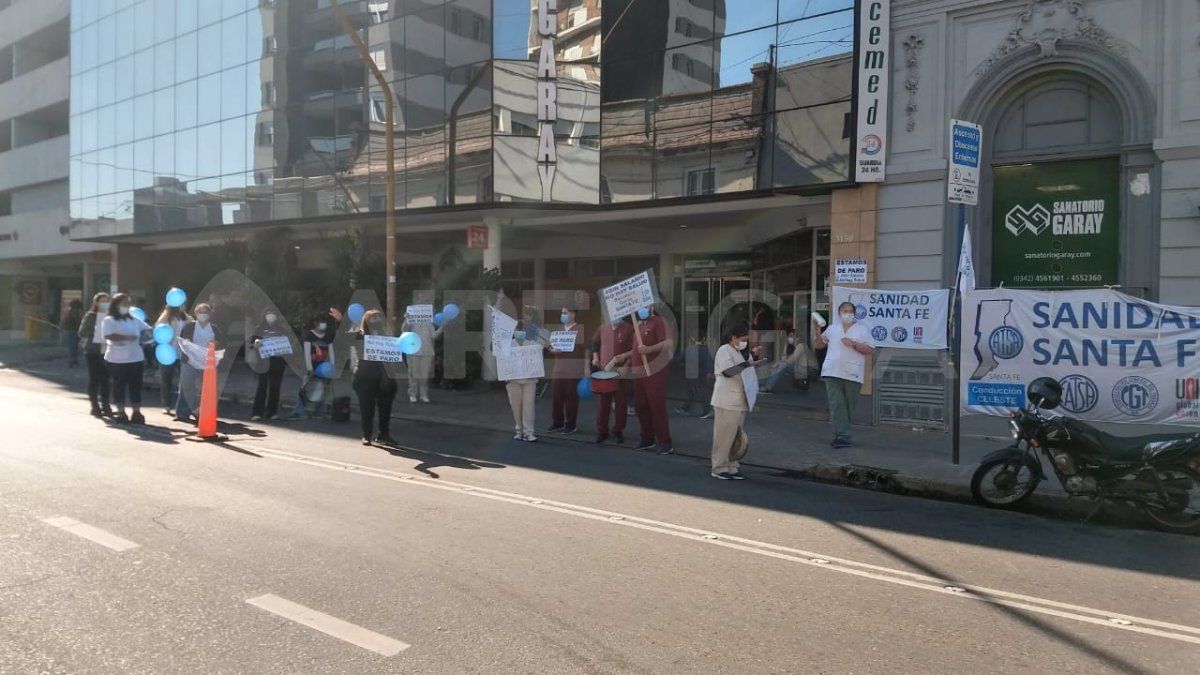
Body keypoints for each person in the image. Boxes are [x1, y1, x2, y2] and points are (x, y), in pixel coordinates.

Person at [812, 301, 875, 448]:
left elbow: (871, 350)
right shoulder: (832, 329)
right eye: (845, 310)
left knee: (848, 406)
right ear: (839, 313)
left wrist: (854, 344)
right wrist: (817, 331)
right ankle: (843, 436)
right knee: (836, 404)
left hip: (852, 374)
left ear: (854, 313)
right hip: (832, 371)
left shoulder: (862, 330)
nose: (847, 313)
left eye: (850, 310)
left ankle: (843, 433)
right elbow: (819, 345)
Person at [710, 324, 766, 479]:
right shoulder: (724, 350)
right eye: (743, 339)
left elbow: (744, 368)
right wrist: (748, 363)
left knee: (735, 437)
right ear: (733, 337)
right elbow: (728, 371)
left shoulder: (738, 352)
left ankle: (732, 466)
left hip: (739, 401)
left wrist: (752, 356)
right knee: (724, 436)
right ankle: (719, 467)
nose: (745, 342)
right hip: (726, 400)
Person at [349, 309, 398, 446]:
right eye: (373, 318)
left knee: (385, 408)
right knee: (366, 408)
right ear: (366, 321)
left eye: (378, 318)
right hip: (364, 377)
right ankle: (366, 435)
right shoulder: (360, 335)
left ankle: (384, 434)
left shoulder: (386, 336)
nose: (376, 321)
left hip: (384, 378)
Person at [102, 293, 151, 425]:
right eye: (123, 304)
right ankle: (121, 411)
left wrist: (150, 334)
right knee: (119, 386)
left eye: (128, 304)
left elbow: (148, 330)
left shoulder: (134, 320)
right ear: (116, 305)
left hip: (135, 358)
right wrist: (126, 337)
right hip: (117, 360)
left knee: (135, 385)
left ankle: (136, 412)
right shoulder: (109, 320)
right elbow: (108, 335)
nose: (126, 307)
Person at [632, 305, 674, 454]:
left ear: (650, 306)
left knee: (656, 405)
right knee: (640, 405)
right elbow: (635, 349)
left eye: (643, 306)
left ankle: (665, 441)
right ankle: (647, 438)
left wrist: (650, 349)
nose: (640, 309)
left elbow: (668, 343)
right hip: (639, 372)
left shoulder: (659, 321)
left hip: (654, 371)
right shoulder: (637, 325)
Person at [590, 316, 634, 444]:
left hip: (621, 373)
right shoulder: (603, 328)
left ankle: (618, 431)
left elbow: (635, 349)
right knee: (603, 403)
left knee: (621, 403)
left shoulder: (629, 328)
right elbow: (594, 343)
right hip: (605, 372)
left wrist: (627, 364)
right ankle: (602, 430)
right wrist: (595, 357)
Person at [175, 303, 223, 423]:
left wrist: (215, 343)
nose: (203, 315)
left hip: (207, 362)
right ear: (196, 314)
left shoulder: (214, 328)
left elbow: (221, 342)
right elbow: (183, 342)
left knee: (206, 389)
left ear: (209, 314)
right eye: (200, 312)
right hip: (190, 361)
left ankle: (200, 411)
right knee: (186, 385)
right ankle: (182, 412)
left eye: (205, 312)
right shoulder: (189, 327)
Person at [287, 315, 336, 419]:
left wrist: (332, 366)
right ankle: (297, 412)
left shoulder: (328, 336)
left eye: (324, 322)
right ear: (315, 323)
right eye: (321, 322)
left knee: (323, 390)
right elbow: (307, 353)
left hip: (324, 368)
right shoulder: (309, 335)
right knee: (304, 390)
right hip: (312, 367)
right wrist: (310, 368)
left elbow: (331, 352)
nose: (323, 325)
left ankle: (317, 411)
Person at [248, 309, 292, 421]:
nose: (271, 317)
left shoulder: (282, 329)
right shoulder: (260, 328)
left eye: (273, 315)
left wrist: (283, 352)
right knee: (261, 387)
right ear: (265, 316)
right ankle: (257, 412)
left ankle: (272, 412)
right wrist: (256, 344)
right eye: (268, 315)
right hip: (263, 363)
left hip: (278, 363)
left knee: (275, 388)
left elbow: (287, 345)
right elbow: (251, 344)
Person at [547, 307, 585, 434]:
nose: (563, 315)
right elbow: (550, 347)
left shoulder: (579, 329)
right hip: (558, 369)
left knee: (571, 398)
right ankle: (557, 423)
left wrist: (586, 368)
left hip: (572, 370)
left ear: (573, 314)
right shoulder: (558, 330)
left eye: (565, 313)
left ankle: (571, 424)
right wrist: (553, 350)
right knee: (556, 397)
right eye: (562, 313)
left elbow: (586, 350)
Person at [504, 322, 540, 442]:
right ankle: (519, 431)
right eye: (518, 330)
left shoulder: (532, 344)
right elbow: (502, 362)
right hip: (513, 380)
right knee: (516, 407)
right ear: (513, 332)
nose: (520, 332)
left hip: (530, 380)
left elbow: (539, 356)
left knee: (528, 407)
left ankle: (529, 433)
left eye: (522, 330)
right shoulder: (507, 345)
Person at [78, 292, 112, 417]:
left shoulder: (111, 316)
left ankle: (106, 405)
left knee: (106, 380)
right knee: (94, 379)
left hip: (107, 351)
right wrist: (96, 329)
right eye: (102, 301)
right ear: (96, 303)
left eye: (107, 301)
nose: (104, 303)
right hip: (93, 351)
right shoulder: (90, 315)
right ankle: (94, 405)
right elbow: (82, 332)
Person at [155, 304, 190, 416]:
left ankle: (183, 407)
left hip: (182, 353)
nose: (183, 306)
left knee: (185, 380)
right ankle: (167, 405)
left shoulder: (186, 318)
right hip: (167, 353)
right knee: (166, 380)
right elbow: (158, 329)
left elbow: (194, 327)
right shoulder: (165, 317)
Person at [401, 310, 443, 404]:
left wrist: (442, 327)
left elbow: (434, 335)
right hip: (413, 352)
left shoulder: (429, 324)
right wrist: (406, 319)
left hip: (427, 352)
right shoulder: (411, 322)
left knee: (424, 375)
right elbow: (404, 330)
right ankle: (412, 394)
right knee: (413, 374)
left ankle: (424, 395)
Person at [760, 329, 816, 393]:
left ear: (797, 337)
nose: (790, 338)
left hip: (811, 370)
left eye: (792, 336)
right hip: (804, 369)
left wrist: (779, 363)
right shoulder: (795, 347)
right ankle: (766, 382)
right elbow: (784, 358)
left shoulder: (801, 346)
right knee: (779, 365)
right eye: (789, 336)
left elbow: (791, 360)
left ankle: (768, 386)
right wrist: (786, 345)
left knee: (784, 365)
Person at [674, 334, 714, 419]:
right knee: (699, 392)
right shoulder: (706, 350)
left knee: (696, 392)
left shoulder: (689, 350)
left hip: (691, 374)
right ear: (704, 339)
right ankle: (686, 408)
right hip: (702, 374)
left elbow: (679, 359)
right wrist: (710, 372)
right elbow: (709, 361)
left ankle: (707, 410)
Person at [60, 299, 83, 368]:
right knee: (74, 346)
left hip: (69, 330)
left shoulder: (68, 312)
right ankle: (73, 360)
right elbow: (80, 321)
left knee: (71, 346)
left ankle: (72, 360)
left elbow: (64, 321)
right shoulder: (79, 312)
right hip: (76, 330)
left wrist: (61, 327)